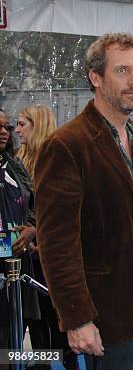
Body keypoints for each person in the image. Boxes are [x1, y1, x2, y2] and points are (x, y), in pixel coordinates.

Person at [34, 33, 133, 370]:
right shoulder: (67, 145)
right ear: (95, 77)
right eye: (122, 71)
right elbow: (56, 242)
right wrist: (76, 318)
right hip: (107, 296)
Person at [15, 104, 79, 370]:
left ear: (37, 125)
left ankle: (67, 362)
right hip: (27, 257)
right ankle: (43, 363)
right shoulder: (16, 160)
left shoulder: (53, 160)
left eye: (22, 124)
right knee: (35, 321)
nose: (16, 130)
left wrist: (37, 231)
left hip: (50, 256)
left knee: (57, 321)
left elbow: (65, 210)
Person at [0, 108, 39, 370]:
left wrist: (32, 228)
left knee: (11, 338)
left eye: (7, 127)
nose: (5, 132)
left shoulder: (14, 165)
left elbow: (35, 204)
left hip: (17, 262)